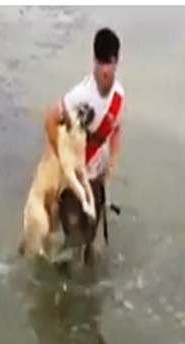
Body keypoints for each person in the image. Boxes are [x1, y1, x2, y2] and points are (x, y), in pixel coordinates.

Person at [44, 27, 125, 260]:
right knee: (73, 243)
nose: (104, 70)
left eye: (108, 63)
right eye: (100, 63)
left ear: (116, 63)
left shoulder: (119, 96)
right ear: (94, 62)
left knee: (89, 238)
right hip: (72, 182)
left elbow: (117, 129)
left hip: (96, 177)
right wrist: (63, 159)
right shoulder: (79, 95)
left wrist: (112, 165)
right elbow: (50, 119)